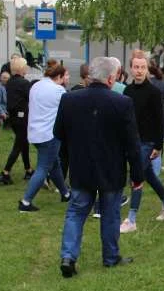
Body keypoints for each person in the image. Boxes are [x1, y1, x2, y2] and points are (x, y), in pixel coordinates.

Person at [55, 56, 143, 276]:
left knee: (76, 212)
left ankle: (68, 256)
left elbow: (59, 133)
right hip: (111, 169)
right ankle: (110, 257)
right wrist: (137, 175)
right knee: (110, 214)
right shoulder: (122, 103)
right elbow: (132, 144)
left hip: (81, 166)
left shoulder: (69, 100)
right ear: (111, 78)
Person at [119, 51, 164, 233]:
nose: (139, 71)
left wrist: (158, 146)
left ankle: (131, 219)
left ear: (147, 69)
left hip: (148, 142)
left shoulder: (154, 92)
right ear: (131, 68)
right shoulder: (127, 91)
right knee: (149, 175)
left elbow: (161, 120)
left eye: (142, 67)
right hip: (132, 141)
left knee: (137, 176)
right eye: (136, 67)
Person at [17, 60, 71, 211]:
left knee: (54, 164)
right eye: (64, 77)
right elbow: (67, 111)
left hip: (34, 132)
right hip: (50, 134)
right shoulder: (58, 90)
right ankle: (26, 202)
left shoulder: (36, 85)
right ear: (59, 76)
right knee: (43, 167)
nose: (65, 80)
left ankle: (65, 194)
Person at [0, 56, 34, 185]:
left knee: (24, 143)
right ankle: (5, 172)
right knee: (19, 145)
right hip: (22, 117)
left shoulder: (10, 82)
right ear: (22, 68)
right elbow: (31, 98)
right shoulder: (24, 83)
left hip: (13, 117)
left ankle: (28, 170)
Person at [148, 61, 164, 175]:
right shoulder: (163, 83)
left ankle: (150, 168)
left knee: (147, 143)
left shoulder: (146, 83)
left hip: (149, 118)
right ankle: (157, 167)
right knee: (159, 142)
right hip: (162, 117)